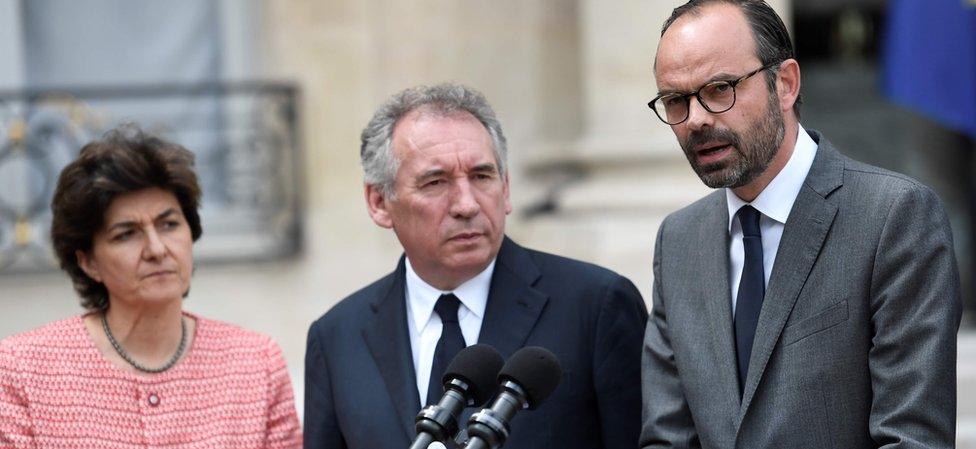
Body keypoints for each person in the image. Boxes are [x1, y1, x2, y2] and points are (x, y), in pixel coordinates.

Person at [640, 1, 962, 448]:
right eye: (676, 101)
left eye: (719, 89)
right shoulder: (678, 242)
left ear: (786, 84)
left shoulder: (893, 216)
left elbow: (912, 437)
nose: (696, 119)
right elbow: (667, 437)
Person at [303, 83, 648, 449]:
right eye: (435, 182)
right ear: (379, 202)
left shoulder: (596, 305)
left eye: (482, 177)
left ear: (507, 188)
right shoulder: (337, 336)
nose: (466, 204)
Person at [0, 125, 302, 448]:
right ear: (89, 261)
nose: (157, 249)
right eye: (126, 234)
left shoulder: (256, 365)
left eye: (169, 224)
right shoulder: (24, 370)